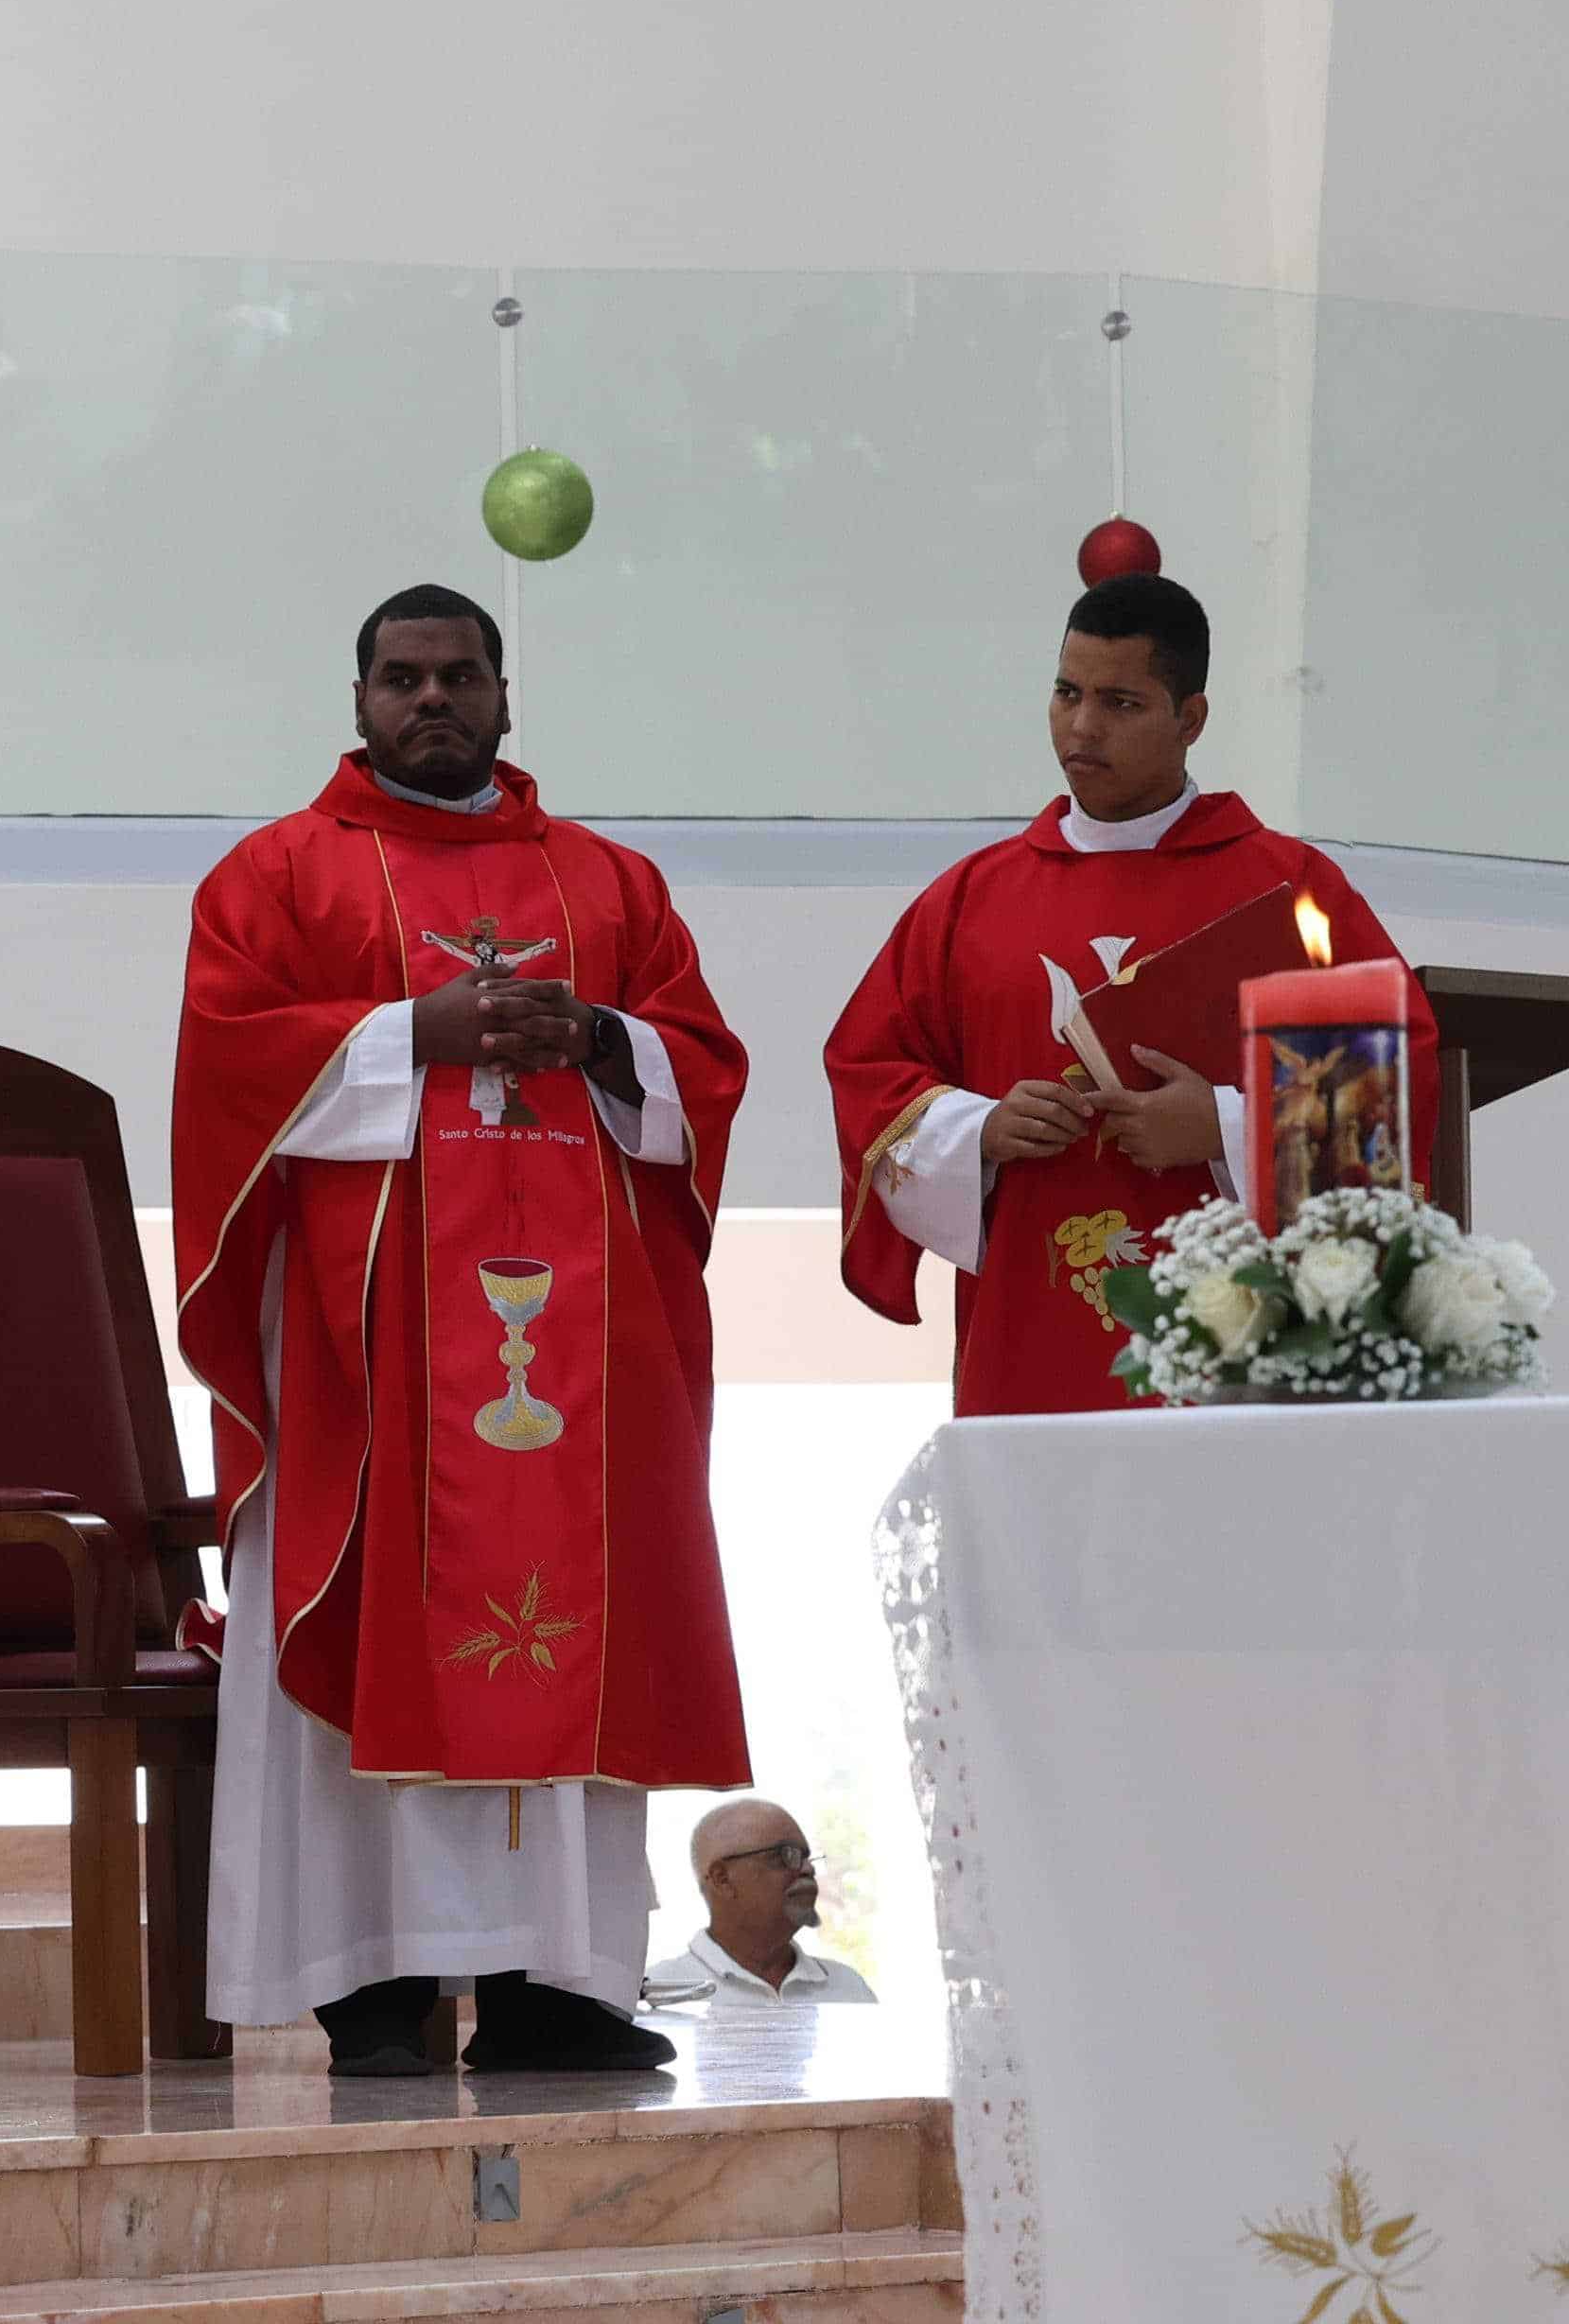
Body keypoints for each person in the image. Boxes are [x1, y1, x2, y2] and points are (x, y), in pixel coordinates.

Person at [174, 584, 751, 2078]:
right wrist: (403, 1034)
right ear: (357, 699)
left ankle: (560, 1989)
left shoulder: (609, 883)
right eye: (401, 678)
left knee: (581, 1606)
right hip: (364, 1340)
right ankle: (374, 1982)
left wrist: (604, 1037)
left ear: (507, 694)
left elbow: (703, 1067)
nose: (431, 701)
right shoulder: (278, 876)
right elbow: (227, 1072)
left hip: (581, 1340)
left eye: (459, 676)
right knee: (365, 1602)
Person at [825, 574, 1438, 1415]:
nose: (1081, 727)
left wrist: (1222, 1123)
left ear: (1190, 719)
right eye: (1066, 693)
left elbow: (1395, 1080)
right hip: (1030, 1329)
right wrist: (980, 1129)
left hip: (1247, 1338)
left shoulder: (1293, 890)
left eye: (1120, 702)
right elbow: (869, 1070)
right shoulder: (970, 900)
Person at [652, 1800, 876, 2008]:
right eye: (785, 1855)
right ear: (722, 1879)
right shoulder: (659, 1994)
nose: (808, 1869)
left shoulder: (848, 1989)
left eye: (807, 1857)